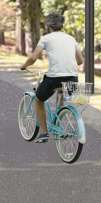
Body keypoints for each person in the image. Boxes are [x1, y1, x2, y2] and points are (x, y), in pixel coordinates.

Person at [18, 11, 80, 142]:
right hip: (73, 79)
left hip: (54, 79)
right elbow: (80, 60)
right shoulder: (71, 39)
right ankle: (59, 119)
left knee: (39, 100)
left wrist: (24, 65)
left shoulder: (46, 39)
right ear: (62, 26)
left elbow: (34, 58)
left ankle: (44, 133)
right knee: (62, 92)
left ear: (49, 27)